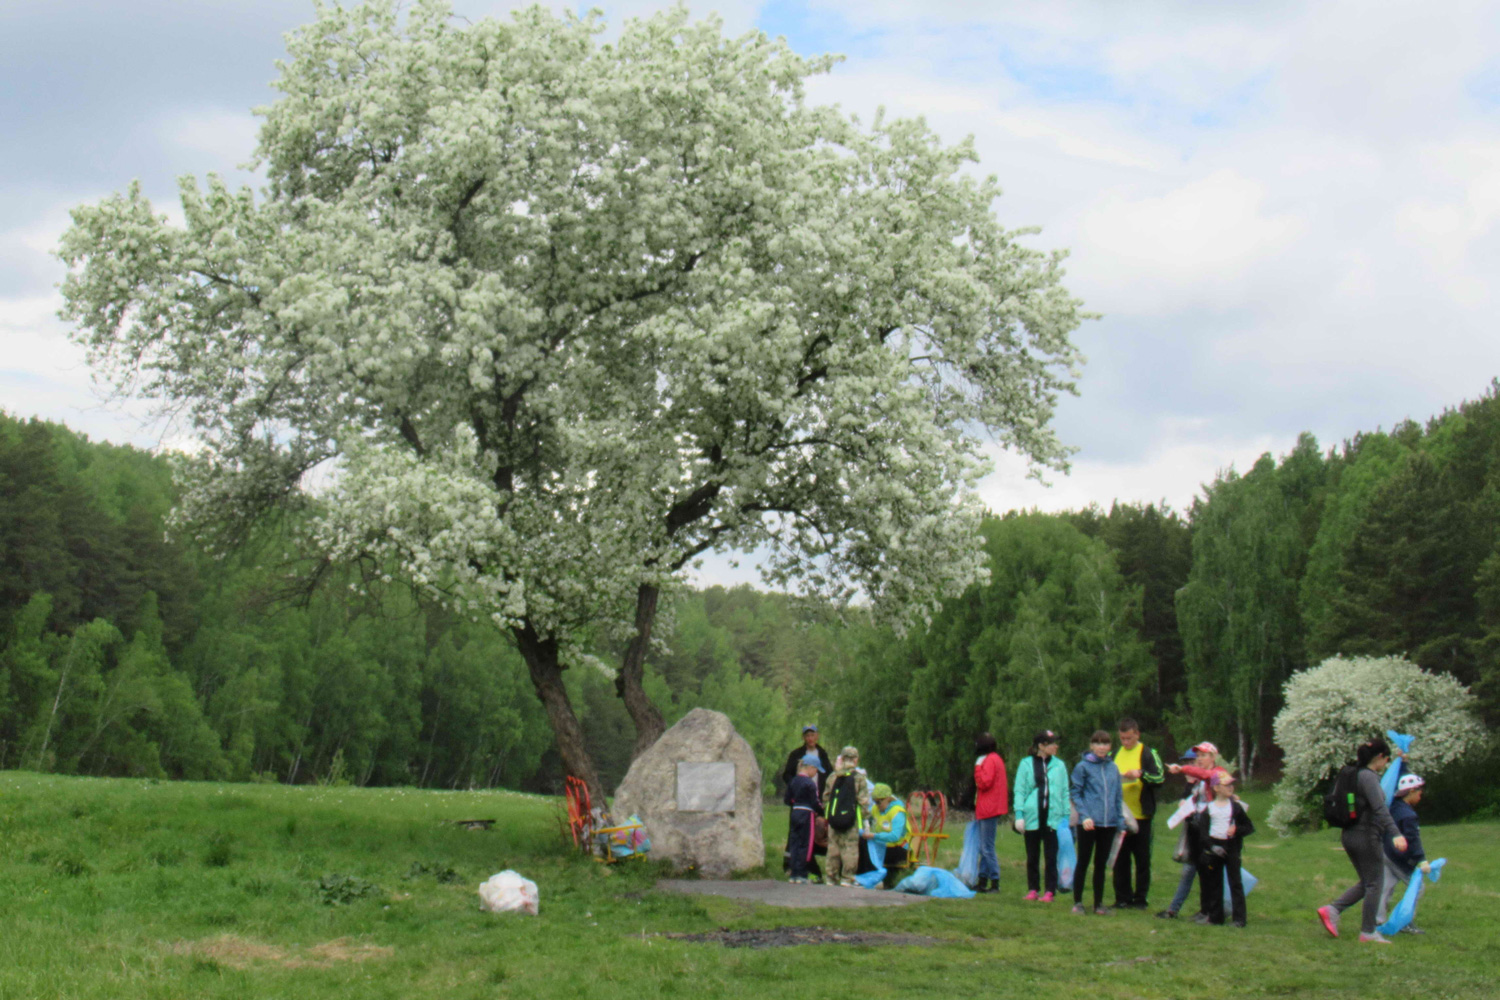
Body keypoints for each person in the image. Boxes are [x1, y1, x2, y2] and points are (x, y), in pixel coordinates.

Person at [1317, 737, 1408, 944]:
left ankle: (1332, 910)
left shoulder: (1353, 774)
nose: (1386, 764)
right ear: (1379, 757)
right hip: (1366, 835)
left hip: (1349, 834)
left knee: (1369, 881)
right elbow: (1380, 809)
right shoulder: (1369, 777)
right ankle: (1368, 932)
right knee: (1375, 883)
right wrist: (1396, 833)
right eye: (1386, 759)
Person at [1158, 741, 1227, 920]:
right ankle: (1204, 911)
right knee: (1200, 870)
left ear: (1213, 757)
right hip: (1197, 829)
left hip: (1211, 830)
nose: (1199, 760)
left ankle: (1212, 912)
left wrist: (1182, 769)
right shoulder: (1198, 782)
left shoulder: (1216, 774)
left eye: (1203, 756)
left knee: (1210, 871)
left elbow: (1206, 775)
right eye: (1198, 757)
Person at [1070, 730, 1133, 915]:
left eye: (1105, 744)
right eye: (1097, 743)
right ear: (1091, 746)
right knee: (1083, 861)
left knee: (1101, 864)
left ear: (1110, 747)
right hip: (1089, 823)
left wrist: (1120, 822)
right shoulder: (1083, 767)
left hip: (1109, 823)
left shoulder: (1113, 768)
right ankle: (1078, 902)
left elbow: (1117, 796)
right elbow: (1076, 793)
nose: (1101, 747)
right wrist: (1085, 816)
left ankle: (1098, 903)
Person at [1111, 718, 1165, 910]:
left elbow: (1159, 777)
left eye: (1129, 738)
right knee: (1120, 859)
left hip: (1141, 815)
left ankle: (1140, 898)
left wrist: (1141, 774)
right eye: (1123, 739)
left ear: (1137, 735)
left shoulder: (1148, 753)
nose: (1126, 742)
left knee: (1142, 859)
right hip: (1119, 816)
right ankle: (1122, 897)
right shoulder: (1114, 754)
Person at [1013, 729, 1068, 901]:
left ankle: (1050, 890)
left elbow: (1065, 791)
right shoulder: (1026, 764)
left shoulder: (1059, 766)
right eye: (1052, 743)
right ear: (1041, 746)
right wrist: (1019, 815)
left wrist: (1066, 816)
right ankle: (1033, 889)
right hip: (1032, 817)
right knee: (1032, 855)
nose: (1055, 746)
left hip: (1053, 817)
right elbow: (1020, 790)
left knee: (1051, 855)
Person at [1194, 771, 1254, 927]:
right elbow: (1203, 833)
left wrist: (1236, 829)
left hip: (1231, 847)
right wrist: (1212, 847)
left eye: (1231, 784)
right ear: (1216, 788)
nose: (1231, 787)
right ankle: (1215, 917)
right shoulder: (1209, 809)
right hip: (1215, 847)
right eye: (1226, 785)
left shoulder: (1235, 807)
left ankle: (1239, 919)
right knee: (1214, 883)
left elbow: (1249, 827)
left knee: (1235, 882)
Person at [1376, 773, 1432, 933]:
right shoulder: (1409, 816)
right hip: (1399, 859)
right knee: (1418, 887)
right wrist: (1421, 860)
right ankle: (1404, 922)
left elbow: (1398, 779)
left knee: (1384, 888)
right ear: (1411, 791)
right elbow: (1413, 841)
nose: (1421, 795)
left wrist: (1403, 762)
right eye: (1419, 792)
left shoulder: (1393, 805)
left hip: (1385, 852)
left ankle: (1377, 922)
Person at [781, 725, 831, 880]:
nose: (810, 738)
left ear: (817, 736)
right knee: (798, 837)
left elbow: (829, 774)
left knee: (816, 834)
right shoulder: (796, 754)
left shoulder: (822, 754)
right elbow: (786, 775)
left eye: (813, 735)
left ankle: (808, 867)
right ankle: (793, 867)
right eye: (807, 735)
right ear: (804, 737)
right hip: (803, 802)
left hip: (815, 799)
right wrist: (796, 785)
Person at [823, 745, 872, 887]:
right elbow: (863, 801)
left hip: (833, 820)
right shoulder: (859, 778)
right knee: (850, 849)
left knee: (833, 848)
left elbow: (825, 798)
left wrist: (830, 815)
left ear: (842, 758)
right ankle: (847, 877)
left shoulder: (833, 777)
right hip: (851, 820)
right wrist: (864, 819)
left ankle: (831, 877)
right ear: (856, 760)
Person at [973, 732, 1009, 893]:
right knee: (985, 846)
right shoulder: (997, 758)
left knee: (986, 847)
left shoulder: (989, 760)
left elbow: (984, 782)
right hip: (993, 806)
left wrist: (978, 769)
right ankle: (982, 880)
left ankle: (995, 881)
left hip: (989, 807)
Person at [862, 783, 910, 888]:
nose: (877, 805)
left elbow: (894, 836)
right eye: (874, 802)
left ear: (888, 799)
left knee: (870, 853)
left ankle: (872, 878)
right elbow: (864, 816)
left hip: (899, 847)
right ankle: (863, 878)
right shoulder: (875, 809)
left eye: (879, 802)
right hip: (884, 846)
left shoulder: (897, 812)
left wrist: (874, 836)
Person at [785, 753, 822, 883]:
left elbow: (787, 800)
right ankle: (802, 873)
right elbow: (815, 802)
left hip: (795, 812)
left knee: (794, 842)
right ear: (810, 767)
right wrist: (821, 810)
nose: (816, 772)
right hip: (807, 814)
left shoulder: (793, 781)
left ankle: (793, 873)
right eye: (816, 769)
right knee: (805, 843)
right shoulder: (810, 784)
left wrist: (796, 803)